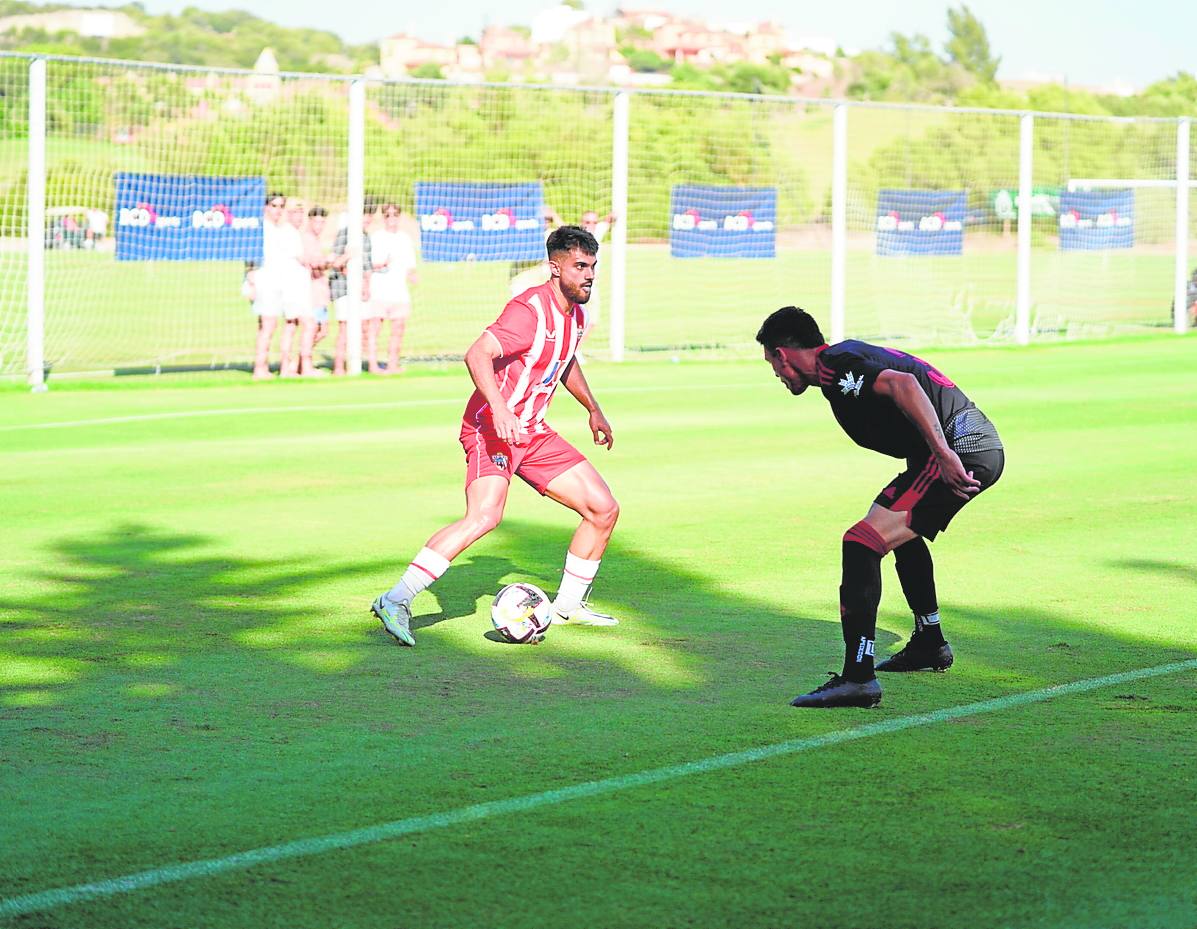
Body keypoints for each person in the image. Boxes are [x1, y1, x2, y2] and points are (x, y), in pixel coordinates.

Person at [371, 225, 620, 646]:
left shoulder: (576, 315)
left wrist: (593, 408)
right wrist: (501, 409)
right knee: (485, 516)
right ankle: (395, 599)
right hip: (492, 428)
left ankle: (568, 605)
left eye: (593, 266)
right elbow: (477, 353)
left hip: (533, 432)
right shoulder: (527, 310)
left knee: (603, 509)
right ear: (554, 268)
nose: (589, 275)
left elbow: (565, 360)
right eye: (580, 266)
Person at [756, 306, 1005, 708]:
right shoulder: (840, 363)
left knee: (862, 541)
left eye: (772, 364)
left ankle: (858, 677)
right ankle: (929, 641)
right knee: (896, 536)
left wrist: (943, 453)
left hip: (961, 452)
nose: (777, 376)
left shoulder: (835, 366)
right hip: (954, 450)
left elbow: (904, 384)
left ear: (783, 353)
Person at [251, 192, 307, 380]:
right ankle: (259, 369)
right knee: (267, 326)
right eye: (274, 205)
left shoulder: (278, 230)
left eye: (281, 206)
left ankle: (264, 367)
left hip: (277, 284)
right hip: (264, 283)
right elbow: (250, 258)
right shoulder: (261, 229)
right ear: (266, 207)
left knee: (271, 326)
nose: (277, 210)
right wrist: (250, 281)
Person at [366, 203, 419, 374]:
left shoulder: (404, 238)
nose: (391, 218)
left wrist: (412, 276)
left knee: (398, 329)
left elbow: (410, 266)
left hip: (399, 292)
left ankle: (392, 364)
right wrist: (381, 265)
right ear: (383, 218)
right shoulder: (376, 237)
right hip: (379, 291)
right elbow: (369, 265)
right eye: (387, 215)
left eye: (394, 214)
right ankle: (373, 365)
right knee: (375, 329)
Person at [328, 209, 374, 376]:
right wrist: (348, 257)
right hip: (343, 289)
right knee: (344, 329)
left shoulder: (366, 237)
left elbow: (368, 266)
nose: (368, 219)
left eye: (370, 216)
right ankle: (339, 367)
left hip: (360, 290)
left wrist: (366, 286)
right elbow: (335, 262)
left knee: (364, 327)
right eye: (365, 215)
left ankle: (361, 363)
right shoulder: (344, 234)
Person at [279, 198, 320, 377]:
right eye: (295, 212)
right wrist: (325, 261)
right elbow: (304, 259)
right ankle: (305, 366)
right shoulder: (289, 233)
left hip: (296, 288)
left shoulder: (292, 232)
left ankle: (286, 368)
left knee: (291, 326)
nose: (299, 216)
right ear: (288, 214)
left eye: (301, 213)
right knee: (309, 324)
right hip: (294, 289)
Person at [303, 205, 333, 373]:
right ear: (310, 221)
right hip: (312, 294)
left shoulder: (315, 240)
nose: (319, 226)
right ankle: (303, 364)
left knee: (322, 330)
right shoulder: (307, 239)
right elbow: (315, 265)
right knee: (315, 328)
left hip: (320, 293)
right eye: (317, 222)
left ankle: (301, 362)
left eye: (322, 223)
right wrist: (331, 260)